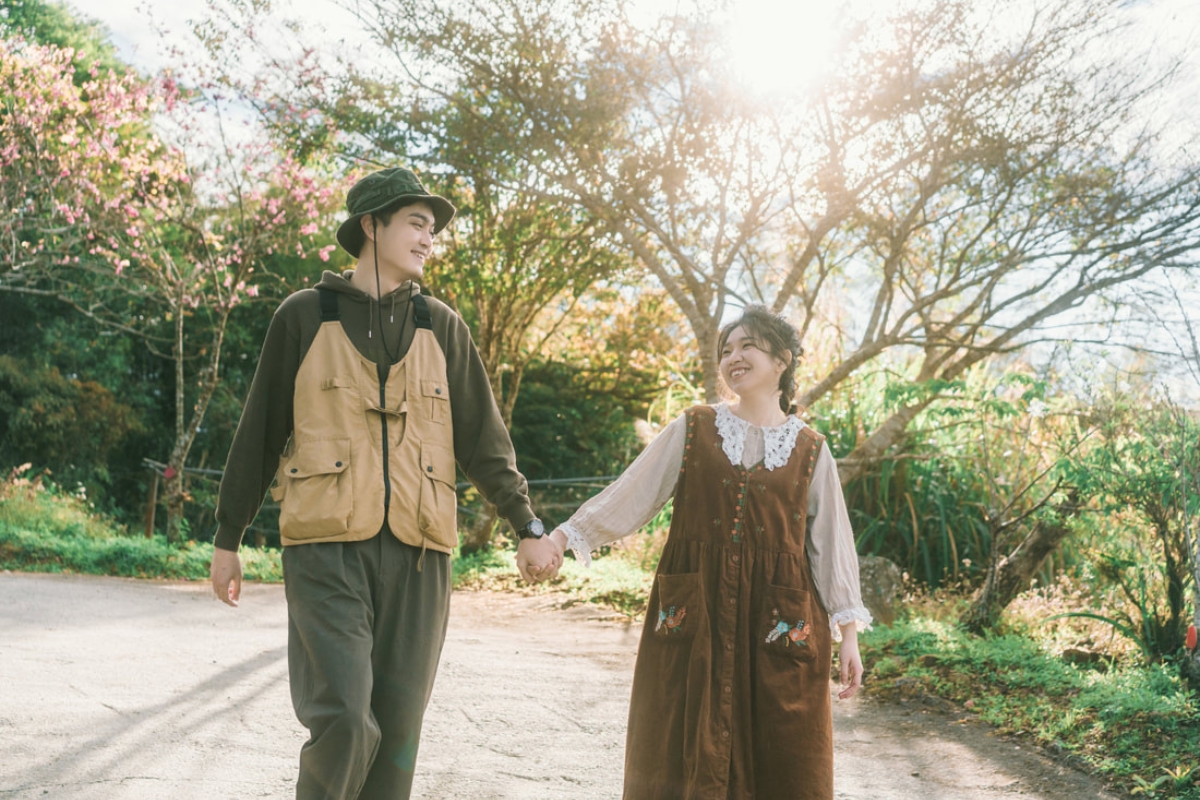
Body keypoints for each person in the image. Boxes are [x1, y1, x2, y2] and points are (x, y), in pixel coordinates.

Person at [208, 166, 557, 800]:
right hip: (325, 550)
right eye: (416, 224)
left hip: (422, 555)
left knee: (397, 737)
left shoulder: (443, 325)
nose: (429, 239)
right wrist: (227, 536)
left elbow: (484, 440)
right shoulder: (304, 316)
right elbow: (259, 432)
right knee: (342, 716)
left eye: (433, 228)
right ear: (372, 226)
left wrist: (525, 523)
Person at [528, 305, 871, 800]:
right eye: (726, 350)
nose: (733, 356)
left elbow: (832, 547)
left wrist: (850, 636)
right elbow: (632, 493)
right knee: (678, 740)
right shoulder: (694, 427)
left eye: (747, 345)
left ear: (783, 360)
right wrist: (562, 538)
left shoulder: (812, 451)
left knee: (781, 752)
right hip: (694, 612)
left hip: (777, 619)